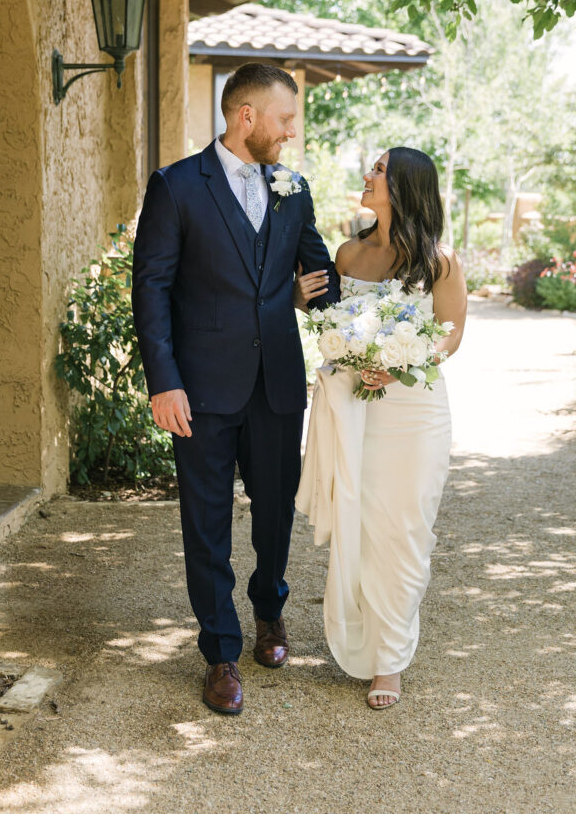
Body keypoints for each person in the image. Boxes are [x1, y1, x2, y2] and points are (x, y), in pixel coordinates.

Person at [132, 63, 339, 715]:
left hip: (276, 382)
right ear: (244, 116)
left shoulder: (292, 188)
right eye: (284, 121)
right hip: (200, 388)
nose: (290, 134)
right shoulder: (176, 187)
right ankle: (220, 651)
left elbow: (320, 274)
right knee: (207, 522)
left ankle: (269, 611)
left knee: (276, 510)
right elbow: (153, 288)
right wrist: (164, 382)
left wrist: (378, 291)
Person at [295, 147, 466, 710]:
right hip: (355, 407)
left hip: (414, 412)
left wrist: (400, 361)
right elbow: (333, 321)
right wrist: (302, 303)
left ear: (406, 186)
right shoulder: (347, 253)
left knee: (405, 530)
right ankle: (362, 640)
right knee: (361, 525)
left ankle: (389, 660)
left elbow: (450, 335)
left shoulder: (439, 261)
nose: (367, 176)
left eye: (378, 170)